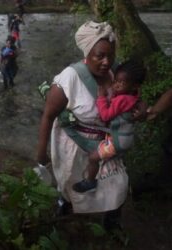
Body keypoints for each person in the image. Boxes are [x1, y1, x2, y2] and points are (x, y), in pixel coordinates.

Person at [36, 20, 140, 230]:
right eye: (99, 56)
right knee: (70, 184)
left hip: (105, 142)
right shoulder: (70, 78)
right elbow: (48, 116)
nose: (106, 61)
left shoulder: (114, 75)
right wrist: (40, 154)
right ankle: (64, 205)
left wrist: (138, 109)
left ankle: (112, 222)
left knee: (118, 183)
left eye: (110, 55)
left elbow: (130, 98)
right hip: (74, 144)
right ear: (87, 53)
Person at [72, 60, 146, 193]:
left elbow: (105, 116)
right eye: (116, 81)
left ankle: (90, 182)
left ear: (134, 86)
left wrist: (101, 98)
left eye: (121, 83)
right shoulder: (132, 96)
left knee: (93, 158)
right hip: (125, 138)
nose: (116, 85)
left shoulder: (122, 100)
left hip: (118, 141)